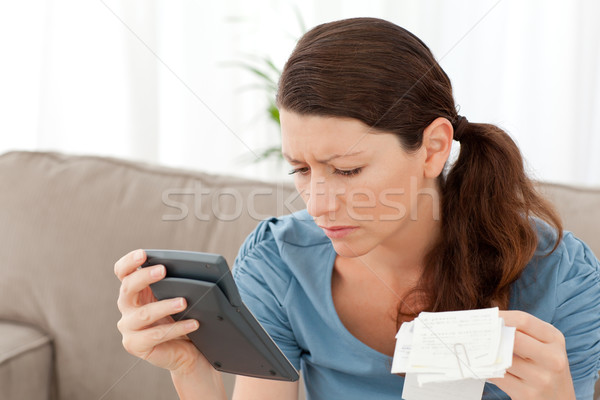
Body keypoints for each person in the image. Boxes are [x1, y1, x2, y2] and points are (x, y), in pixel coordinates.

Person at [114, 17, 600, 400]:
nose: (318, 205)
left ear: (433, 149)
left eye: (346, 170)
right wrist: (192, 373)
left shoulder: (562, 279)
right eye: (300, 170)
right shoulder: (279, 265)